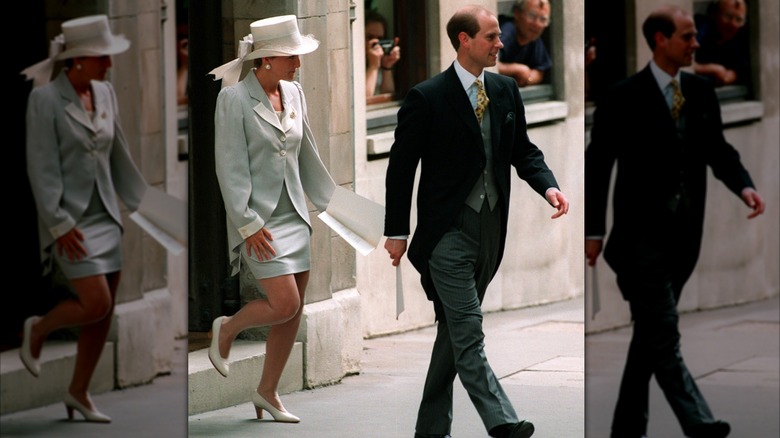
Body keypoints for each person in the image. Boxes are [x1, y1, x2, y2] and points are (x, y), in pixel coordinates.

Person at [383, 6, 569, 438]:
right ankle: (502, 422)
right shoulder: (426, 97)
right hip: (446, 234)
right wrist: (396, 231)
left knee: (453, 331)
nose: (500, 43)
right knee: (469, 333)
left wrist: (549, 187)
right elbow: (401, 168)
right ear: (464, 40)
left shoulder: (505, 90)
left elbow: (523, 150)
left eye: (499, 37)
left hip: (490, 230)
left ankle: (430, 430)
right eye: (491, 36)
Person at [585, 5, 765, 438]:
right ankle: (699, 423)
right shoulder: (622, 95)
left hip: (684, 239)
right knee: (662, 332)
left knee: (650, 335)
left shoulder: (701, 92)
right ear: (660, 40)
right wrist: (593, 231)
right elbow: (597, 166)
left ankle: (626, 429)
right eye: (687, 37)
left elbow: (718, 150)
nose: (696, 43)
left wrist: (743, 185)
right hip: (638, 240)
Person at [207, 15, 336, 423]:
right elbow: (229, 167)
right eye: (290, 56)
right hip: (258, 219)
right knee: (284, 302)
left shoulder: (294, 92)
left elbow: (306, 151)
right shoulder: (232, 98)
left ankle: (267, 392)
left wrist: (334, 204)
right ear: (266, 60)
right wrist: (246, 224)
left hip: (294, 214)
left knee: (292, 312)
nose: (297, 63)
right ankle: (226, 328)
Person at [19, 14, 148, 423]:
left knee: (103, 313)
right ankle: (38, 329)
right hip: (70, 220)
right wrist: (58, 224)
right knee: (95, 301)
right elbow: (41, 167)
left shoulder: (105, 92)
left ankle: (78, 392)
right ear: (77, 60)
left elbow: (118, 152)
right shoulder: (44, 98)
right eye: (101, 58)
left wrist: (145, 205)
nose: (108, 65)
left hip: (106, 214)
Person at [693, 0, 750, 87]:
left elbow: (746, 69)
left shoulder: (741, 38)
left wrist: (733, 75)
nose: (733, 24)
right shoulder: (698, 30)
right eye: (728, 17)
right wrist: (710, 69)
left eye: (739, 20)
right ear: (713, 14)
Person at [497, 0, 552, 87]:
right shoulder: (506, 32)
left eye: (543, 19)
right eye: (532, 16)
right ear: (517, 13)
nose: (537, 24)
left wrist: (527, 78)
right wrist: (515, 69)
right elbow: (485, 66)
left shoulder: (533, 38)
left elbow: (540, 71)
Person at [365, 10, 401, 97]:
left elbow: (387, 95)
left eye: (380, 39)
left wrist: (387, 66)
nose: (376, 42)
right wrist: (373, 67)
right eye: (370, 37)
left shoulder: (379, 60)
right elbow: (363, 99)